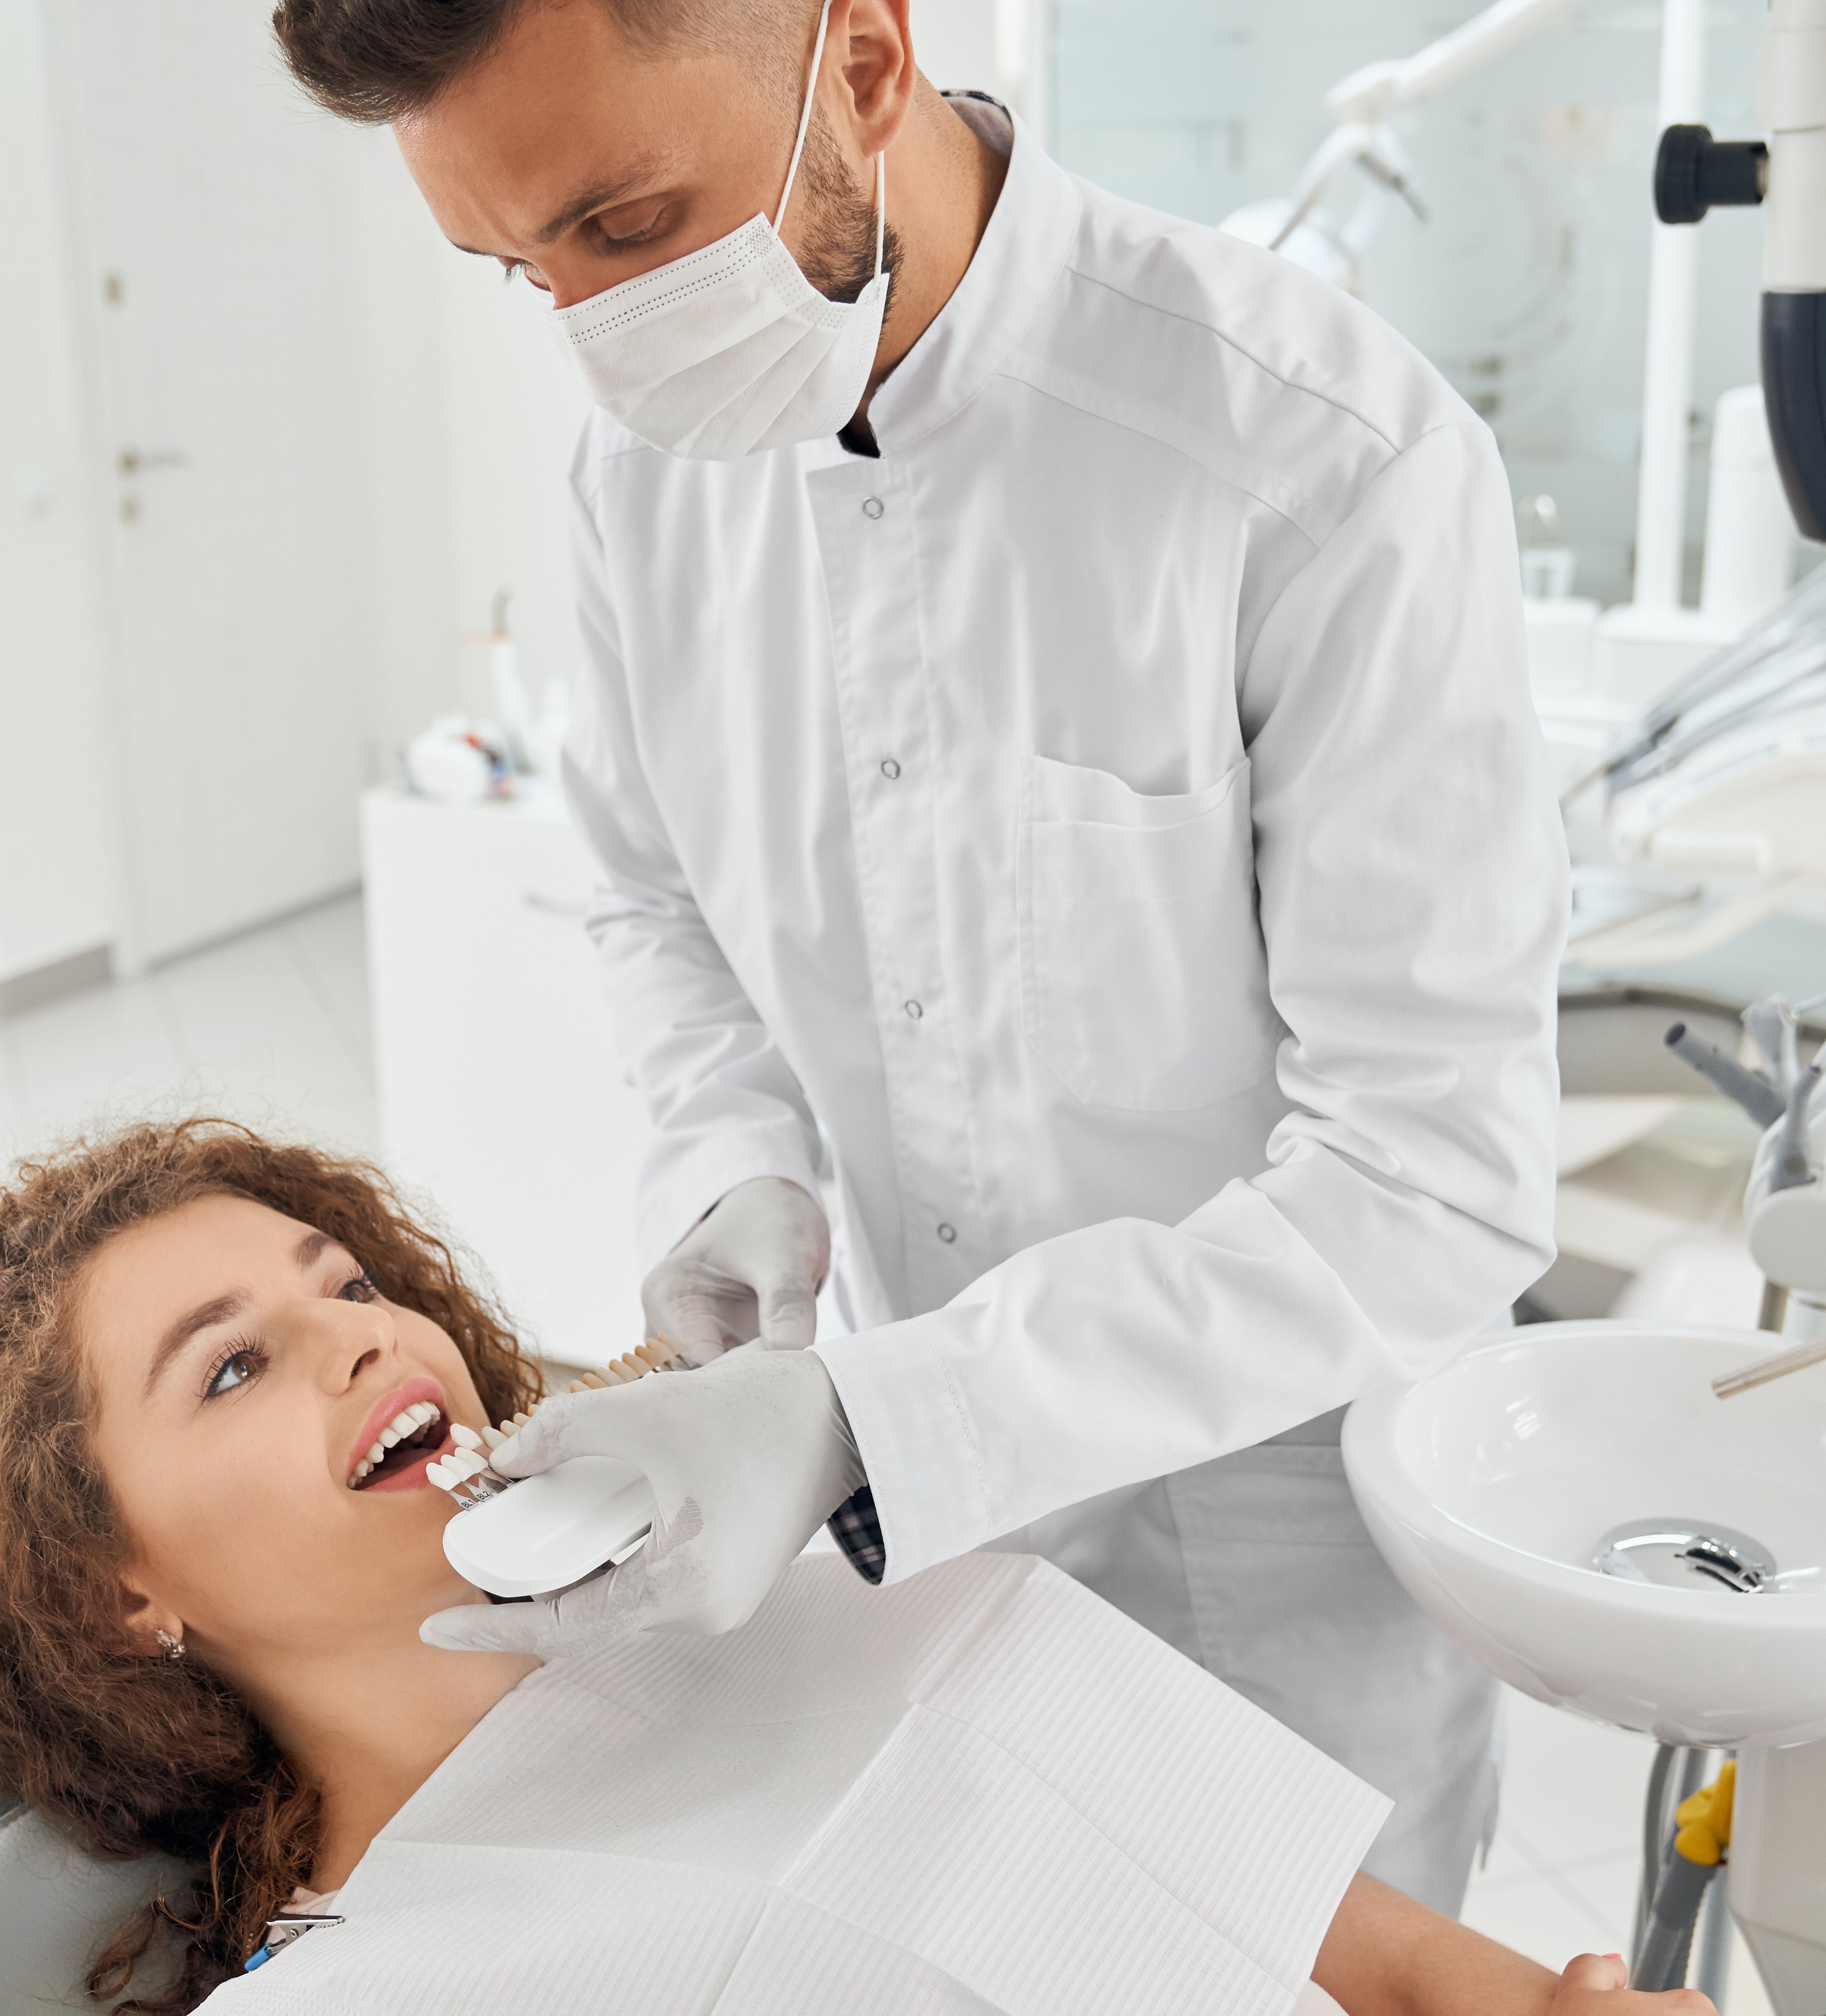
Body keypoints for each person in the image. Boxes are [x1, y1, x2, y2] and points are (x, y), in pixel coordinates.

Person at [266, 0, 1567, 1912]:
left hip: (1294, 1570)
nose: (591, 335)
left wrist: (867, 1425)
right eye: (512, 269)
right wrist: (735, 1168)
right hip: (921, 1571)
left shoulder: (1316, 461)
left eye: (624, 230)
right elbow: (654, 903)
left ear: (862, 64)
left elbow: (1434, 1184)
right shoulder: (642, 487)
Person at [0, 1120, 1703, 2016]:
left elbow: (1398, 1967)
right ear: (113, 1594)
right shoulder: (354, 1992)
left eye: (353, 1284)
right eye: (228, 1366)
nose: (359, 1338)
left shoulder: (865, 1602)